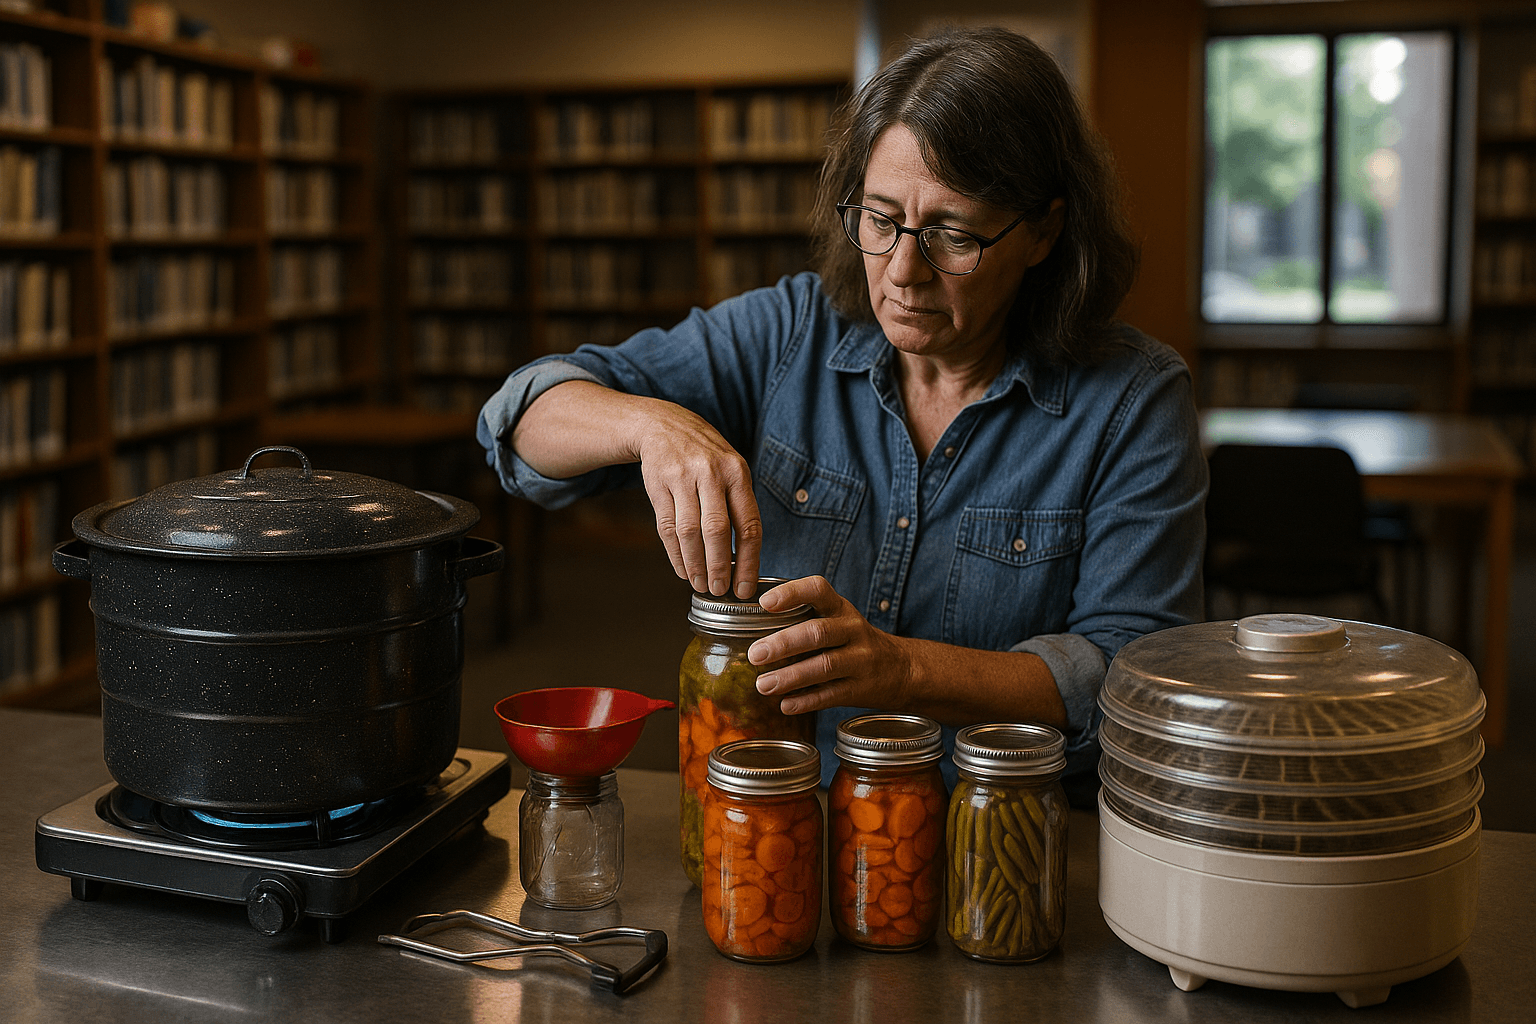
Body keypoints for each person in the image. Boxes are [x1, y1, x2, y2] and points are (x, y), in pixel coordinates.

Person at [476, 26, 1207, 802]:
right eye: (881, 218)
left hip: (1000, 832)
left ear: (1044, 232)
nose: (902, 271)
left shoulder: (1134, 399)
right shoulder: (790, 332)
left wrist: (903, 669)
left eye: (952, 234)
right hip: (778, 819)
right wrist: (648, 424)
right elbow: (518, 422)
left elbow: (1137, 677)